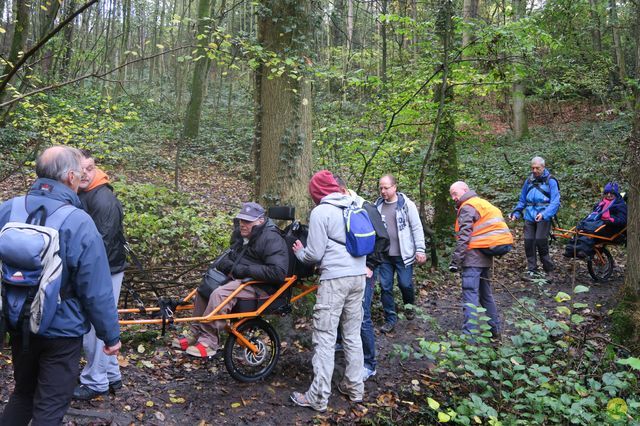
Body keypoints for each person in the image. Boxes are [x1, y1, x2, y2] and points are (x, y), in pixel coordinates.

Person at [0, 146, 121, 425]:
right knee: (50, 407)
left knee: (22, 394)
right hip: (62, 334)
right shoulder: (78, 222)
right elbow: (96, 289)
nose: (81, 180)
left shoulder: (9, 209)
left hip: (20, 323)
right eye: (79, 175)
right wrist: (110, 336)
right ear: (69, 177)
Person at [290, 170, 367, 412]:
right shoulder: (354, 204)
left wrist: (299, 251)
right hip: (359, 277)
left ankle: (318, 397)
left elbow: (313, 254)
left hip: (335, 280)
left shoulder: (321, 212)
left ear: (316, 192)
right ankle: (355, 389)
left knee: (325, 336)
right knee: (353, 335)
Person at [171, 202, 289, 358]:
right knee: (205, 289)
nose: (243, 225)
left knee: (219, 294)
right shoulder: (243, 236)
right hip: (241, 278)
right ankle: (196, 333)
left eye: (248, 221)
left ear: (260, 221)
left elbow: (278, 272)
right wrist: (228, 265)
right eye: (241, 220)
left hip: (260, 286)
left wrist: (244, 270)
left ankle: (209, 341)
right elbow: (235, 256)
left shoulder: (271, 238)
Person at [73, 150, 127, 400]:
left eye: (90, 168)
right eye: (80, 168)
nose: (85, 173)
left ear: (96, 169)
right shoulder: (84, 194)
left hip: (106, 270)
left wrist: (79, 273)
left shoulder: (103, 199)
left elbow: (102, 245)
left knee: (96, 329)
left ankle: (95, 382)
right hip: (99, 268)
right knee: (95, 327)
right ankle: (111, 375)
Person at [335, 176, 390, 381]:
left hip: (365, 269)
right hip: (347, 270)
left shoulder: (365, 208)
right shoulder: (338, 208)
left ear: (342, 190)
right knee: (343, 309)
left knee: (362, 314)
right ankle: (342, 344)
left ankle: (369, 362)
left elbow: (383, 238)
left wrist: (371, 265)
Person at [449, 182, 509, 337]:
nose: (453, 197)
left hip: (472, 260)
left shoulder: (468, 206)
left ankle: (469, 337)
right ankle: (495, 331)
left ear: (465, 190)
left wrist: (455, 261)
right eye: (451, 195)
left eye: (455, 193)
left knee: (470, 296)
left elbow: (464, 237)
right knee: (486, 296)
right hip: (485, 257)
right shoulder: (482, 204)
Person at [374, 174, 426, 333]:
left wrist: (420, 249)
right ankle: (390, 319)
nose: (383, 191)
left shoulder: (406, 205)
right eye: (381, 188)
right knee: (385, 286)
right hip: (384, 256)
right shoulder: (377, 206)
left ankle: (408, 306)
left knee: (405, 284)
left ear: (394, 187)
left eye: (386, 188)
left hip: (404, 255)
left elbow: (416, 227)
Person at [509, 156, 560, 279]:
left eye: (537, 168)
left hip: (543, 216)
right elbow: (522, 200)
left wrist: (544, 214)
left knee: (540, 241)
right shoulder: (529, 181)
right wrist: (516, 213)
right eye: (533, 168)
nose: (535, 170)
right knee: (529, 242)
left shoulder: (551, 181)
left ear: (543, 167)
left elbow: (555, 202)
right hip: (529, 216)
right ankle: (532, 270)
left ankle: (549, 271)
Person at [563, 182, 627, 258]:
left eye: (611, 193)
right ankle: (570, 250)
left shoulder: (620, 205)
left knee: (590, 231)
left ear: (616, 194)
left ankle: (583, 251)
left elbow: (622, 220)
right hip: (599, 224)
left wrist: (611, 220)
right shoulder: (600, 204)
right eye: (607, 193)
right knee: (580, 228)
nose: (609, 195)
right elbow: (594, 214)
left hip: (611, 228)